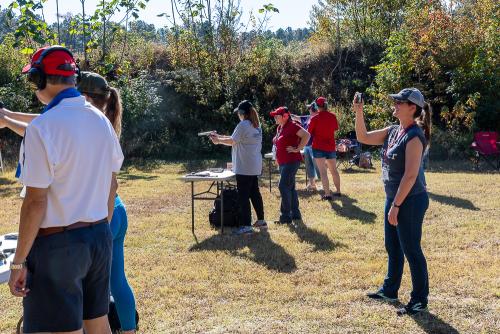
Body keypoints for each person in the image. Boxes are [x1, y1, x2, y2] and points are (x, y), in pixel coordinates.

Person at [1, 71, 137, 333]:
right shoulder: (99, 120)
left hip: (65, 237)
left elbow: (40, 129)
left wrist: (19, 261)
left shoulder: (54, 123)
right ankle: (129, 328)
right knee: (106, 301)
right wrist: (7, 117)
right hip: (100, 224)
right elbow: (112, 184)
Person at [353, 88, 432, 316]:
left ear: (412, 108)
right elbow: (363, 137)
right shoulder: (393, 130)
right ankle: (390, 290)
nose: (395, 104)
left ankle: (419, 300)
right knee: (393, 247)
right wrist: (359, 112)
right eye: (395, 100)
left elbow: (410, 176)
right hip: (395, 198)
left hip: (411, 200)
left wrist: (396, 206)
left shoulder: (414, 135)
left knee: (411, 250)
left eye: (400, 101)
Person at [78, 71, 137, 333]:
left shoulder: (87, 124)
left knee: (85, 286)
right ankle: (128, 329)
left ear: (86, 97)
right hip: (117, 210)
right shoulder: (104, 122)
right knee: (117, 280)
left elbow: (111, 184)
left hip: (105, 214)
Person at [209, 100, 267, 235]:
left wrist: (217, 141)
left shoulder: (243, 125)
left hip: (244, 167)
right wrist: (219, 137)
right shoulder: (256, 125)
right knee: (254, 194)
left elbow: (232, 141)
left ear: (241, 113)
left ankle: (246, 226)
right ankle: (261, 221)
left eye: (238, 113)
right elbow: (235, 138)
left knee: (243, 197)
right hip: (254, 166)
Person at [271, 106, 310, 224]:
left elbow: (306, 135)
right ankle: (295, 214)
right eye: (275, 116)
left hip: (291, 161)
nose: (275, 118)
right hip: (283, 162)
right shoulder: (279, 128)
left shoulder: (292, 126)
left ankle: (285, 216)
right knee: (290, 187)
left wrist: (298, 148)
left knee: (282, 186)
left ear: (285, 116)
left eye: (277, 116)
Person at [307, 96, 341, 200]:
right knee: (334, 170)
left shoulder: (314, 118)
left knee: (323, 172)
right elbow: (335, 128)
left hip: (318, 147)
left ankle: (327, 194)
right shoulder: (332, 116)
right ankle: (338, 191)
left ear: (317, 106)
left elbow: (309, 132)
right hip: (330, 146)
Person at [292, 102, 321, 191]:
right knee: (309, 166)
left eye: (310, 108)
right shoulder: (307, 118)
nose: (308, 109)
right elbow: (295, 117)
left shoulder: (320, 119)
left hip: (316, 146)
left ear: (314, 109)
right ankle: (312, 185)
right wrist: (288, 115)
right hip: (307, 146)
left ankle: (324, 183)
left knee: (319, 166)